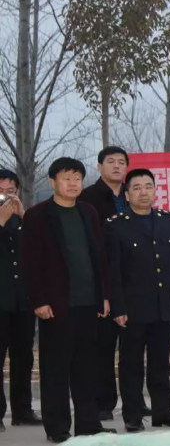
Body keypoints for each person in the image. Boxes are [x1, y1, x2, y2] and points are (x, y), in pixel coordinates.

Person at [21, 157, 116, 443]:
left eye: (77, 178)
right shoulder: (38, 215)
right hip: (55, 305)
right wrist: (38, 300)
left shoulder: (88, 212)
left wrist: (103, 295)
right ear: (53, 182)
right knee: (56, 370)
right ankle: (58, 428)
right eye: (66, 178)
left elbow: (99, 257)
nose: (73, 183)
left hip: (88, 303)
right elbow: (30, 262)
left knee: (87, 367)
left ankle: (89, 424)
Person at [105, 169, 170, 432]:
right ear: (127, 194)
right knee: (131, 364)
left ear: (155, 190)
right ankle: (132, 416)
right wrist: (117, 307)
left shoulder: (168, 221)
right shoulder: (116, 225)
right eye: (137, 188)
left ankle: (162, 412)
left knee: (160, 363)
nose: (143, 192)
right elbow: (113, 271)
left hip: (163, 305)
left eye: (148, 187)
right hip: (132, 309)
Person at [79, 146, 151, 420]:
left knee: (133, 350)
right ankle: (103, 403)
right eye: (111, 162)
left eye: (122, 162)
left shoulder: (132, 196)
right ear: (99, 167)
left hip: (133, 284)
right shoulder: (87, 198)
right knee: (103, 348)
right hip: (103, 282)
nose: (117, 166)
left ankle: (135, 402)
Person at [0, 170, 41, 433]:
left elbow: (41, 247)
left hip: (23, 300)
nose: (7, 196)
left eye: (11, 191)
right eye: (1, 191)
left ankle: (22, 410)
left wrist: (24, 216)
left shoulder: (24, 219)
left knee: (23, 357)